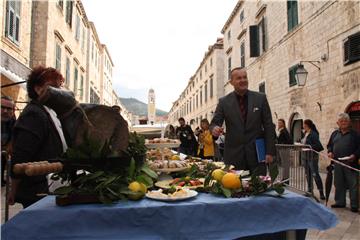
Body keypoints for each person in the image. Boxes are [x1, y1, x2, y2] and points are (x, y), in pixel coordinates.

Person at [8, 66, 68, 208]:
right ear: (38, 89)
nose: (57, 92)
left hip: (51, 186)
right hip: (37, 190)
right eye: (52, 87)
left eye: (59, 87)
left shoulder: (49, 111)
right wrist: (13, 189)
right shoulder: (34, 114)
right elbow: (20, 156)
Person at [210, 67, 275, 175]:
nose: (243, 80)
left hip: (257, 156)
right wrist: (214, 129)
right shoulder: (224, 102)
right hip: (233, 157)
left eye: (245, 77)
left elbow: (269, 126)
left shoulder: (260, 98)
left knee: (259, 188)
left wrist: (270, 152)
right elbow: (214, 123)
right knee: (235, 188)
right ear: (231, 82)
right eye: (239, 78)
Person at [327, 113, 360, 212]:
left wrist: (354, 155)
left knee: (352, 184)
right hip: (337, 163)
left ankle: (354, 205)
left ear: (349, 122)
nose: (344, 122)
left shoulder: (355, 134)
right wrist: (330, 152)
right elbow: (329, 146)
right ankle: (340, 202)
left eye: (346, 121)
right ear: (338, 123)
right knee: (338, 183)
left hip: (350, 163)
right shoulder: (334, 134)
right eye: (341, 121)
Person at [301, 119, 325, 200]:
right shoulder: (305, 133)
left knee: (315, 174)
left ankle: (321, 192)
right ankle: (310, 190)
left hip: (312, 157)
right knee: (308, 174)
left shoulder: (313, 134)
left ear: (307, 125)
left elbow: (318, 146)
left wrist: (308, 147)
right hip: (305, 157)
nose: (303, 126)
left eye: (303, 124)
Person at [1, 96, 16, 187]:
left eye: (9, 108)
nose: (5, 111)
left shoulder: (15, 124)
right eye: (2, 107)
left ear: (13, 111)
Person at [276, 119, 293, 183]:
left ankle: (286, 179)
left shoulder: (284, 131)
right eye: (278, 123)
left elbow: (289, 140)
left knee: (285, 164)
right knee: (284, 164)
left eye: (280, 123)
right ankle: (284, 178)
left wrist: (282, 143)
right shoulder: (281, 130)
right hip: (282, 149)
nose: (279, 124)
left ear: (283, 123)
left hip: (284, 149)